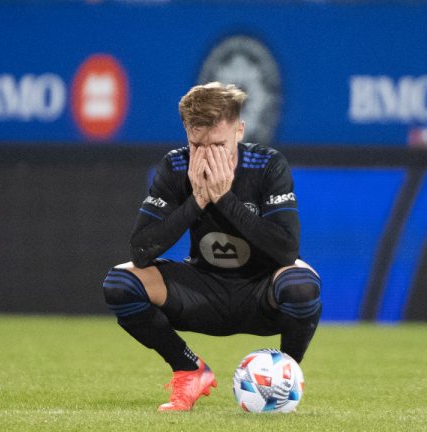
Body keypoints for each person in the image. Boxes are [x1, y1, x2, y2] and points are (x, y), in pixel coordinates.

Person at [102, 82, 321, 411]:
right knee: (120, 283)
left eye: (218, 144)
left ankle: (284, 374)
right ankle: (189, 369)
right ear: (187, 134)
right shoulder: (176, 167)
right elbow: (141, 251)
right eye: (197, 145)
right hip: (203, 288)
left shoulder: (267, 166)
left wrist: (224, 199)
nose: (206, 156)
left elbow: (287, 250)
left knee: (301, 285)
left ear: (239, 131)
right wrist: (198, 200)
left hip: (260, 290)